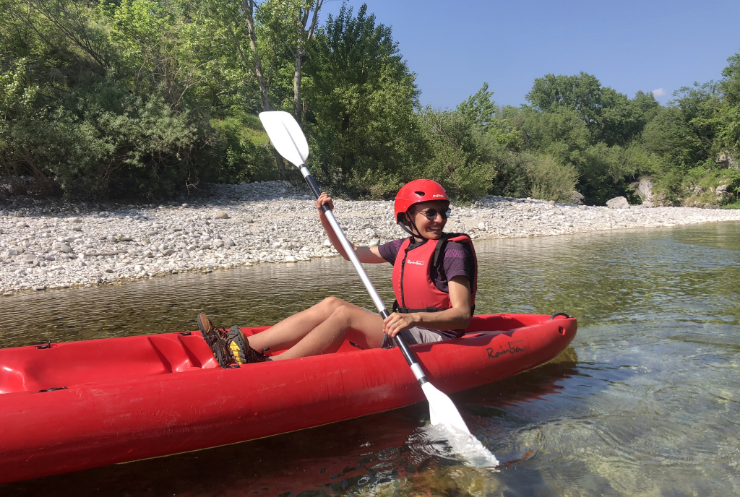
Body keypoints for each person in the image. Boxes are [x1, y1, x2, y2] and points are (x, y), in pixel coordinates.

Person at [198, 179, 477, 367]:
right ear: (407, 217)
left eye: (443, 212)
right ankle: (240, 347)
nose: (439, 219)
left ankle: (270, 367)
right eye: (430, 212)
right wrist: (325, 217)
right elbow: (351, 252)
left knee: (345, 316)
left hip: (438, 340)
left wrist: (413, 317)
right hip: (408, 328)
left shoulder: (453, 251)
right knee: (332, 303)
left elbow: (462, 315)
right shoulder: (401, 247)